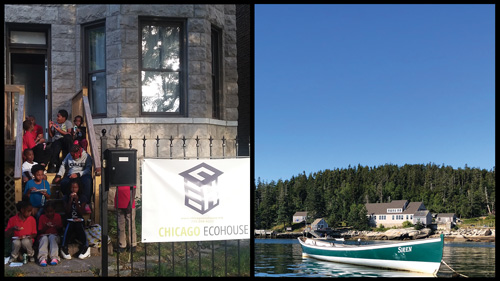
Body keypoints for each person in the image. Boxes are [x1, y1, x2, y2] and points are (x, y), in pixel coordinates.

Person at [61, 178, 90, 260]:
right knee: (69, 224)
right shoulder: (66, 197)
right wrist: (70, 200)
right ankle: (64, 247)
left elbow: (81, 212)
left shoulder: (83, 197)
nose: (73, 190)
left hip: (79, 219)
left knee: (79, 224)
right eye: (72, 188)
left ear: (79, 188)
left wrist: (77, 201)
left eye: (75, 188)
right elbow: (67, 211)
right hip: (69, 219)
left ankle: (86, 247)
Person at [37, 201, 63, 266]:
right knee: (44, 239)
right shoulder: (42, 217)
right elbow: (40, 231)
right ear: (45, 211)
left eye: (51, 212)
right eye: (47, 212)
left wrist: (56, 226)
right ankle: (42, 258)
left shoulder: (57, 216)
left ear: (54, 211)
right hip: (44, 235)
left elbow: (60, 230)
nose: (49, 213)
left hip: (55, 235)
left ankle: (54, 257)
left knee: (52, 237)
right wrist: (46, 227)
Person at [115, 185, 137, 253]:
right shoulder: (118, 178)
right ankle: (122, 245)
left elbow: (134, 190)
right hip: (119, 203)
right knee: (120, 226)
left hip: (129, 204)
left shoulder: (129, 176)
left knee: (130, 225)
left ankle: (132, 244)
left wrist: (130, 204)